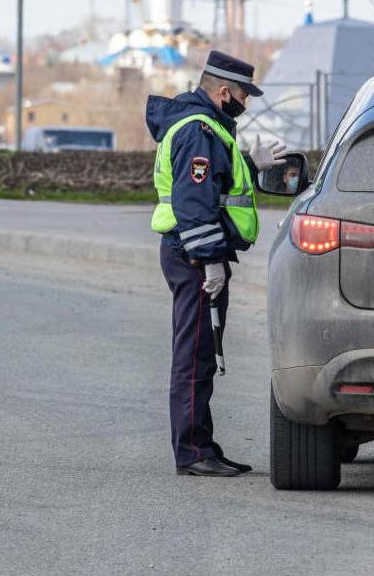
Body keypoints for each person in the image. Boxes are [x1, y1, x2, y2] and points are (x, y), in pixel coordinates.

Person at [146, 51, 287, 477]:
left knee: (202, 353)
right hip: (193, 255)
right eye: (244, 95)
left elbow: (210, 186)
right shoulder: (199, 131)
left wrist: (248, 164)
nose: (246, 103)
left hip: (192, 253)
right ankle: (192, 452)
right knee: (194, 356)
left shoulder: (204, 129)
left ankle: (202, 445)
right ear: (224, 91)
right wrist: (209, 261)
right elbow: (194, 202)